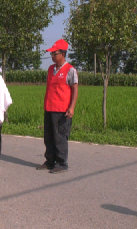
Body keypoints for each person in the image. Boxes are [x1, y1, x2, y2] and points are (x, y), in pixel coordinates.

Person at [36, 39, 78, 174]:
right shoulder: (50, 69)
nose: (52, 56)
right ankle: (50, 161)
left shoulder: (70, 70)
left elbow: (75, 89)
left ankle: (61, 163)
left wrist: (72, 107)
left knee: (60, 137)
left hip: (61, 109)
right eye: (51, 54)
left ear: (63, 54)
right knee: (48, 137)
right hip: (49, 107)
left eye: (55, 54)